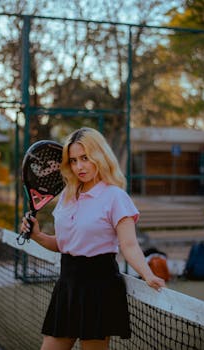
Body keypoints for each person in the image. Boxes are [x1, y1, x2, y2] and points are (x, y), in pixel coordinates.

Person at [21, 127, 165, 350]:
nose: (79, 166)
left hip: (99, 288)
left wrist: (147, 273)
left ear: (100, 156)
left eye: (85, 158)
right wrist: (38, 235)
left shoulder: (115, 196)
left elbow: (128, 244)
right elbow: (63, 244)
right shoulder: (68, 195)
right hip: (67, 285)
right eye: (74, 160)